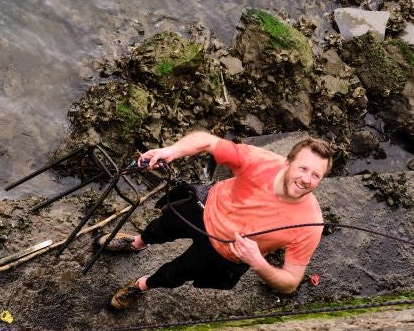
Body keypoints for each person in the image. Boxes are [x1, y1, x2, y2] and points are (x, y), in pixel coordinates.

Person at [99, 131, 333, 310]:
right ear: (287, 162)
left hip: (225, 253)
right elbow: (208, 141)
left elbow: (291, 281)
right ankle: (137, 243)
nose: (306, 180)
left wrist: (257, 262)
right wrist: (172, 150)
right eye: (303, 168)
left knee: (174, 274)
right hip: (203, 208)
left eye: (316, 175)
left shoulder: (309, 224)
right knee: (159, 228)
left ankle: (142, 285)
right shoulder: (259, 161)